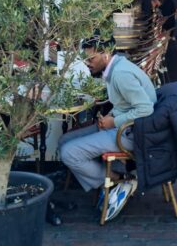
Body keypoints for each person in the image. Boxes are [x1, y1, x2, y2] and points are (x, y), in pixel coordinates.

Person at [59, 37, 157, 221]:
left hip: (132, 133)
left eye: (90, 59)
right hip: (124, 126)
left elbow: (145, 109)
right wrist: (111, 117)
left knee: (68, 153)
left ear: (105, 54)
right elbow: (126, 103)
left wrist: (114, 121)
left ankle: (118, 178)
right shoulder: (116, 67)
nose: (87, 64)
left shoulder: (121, 74)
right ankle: (110, 177)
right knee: (64, 140)